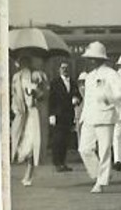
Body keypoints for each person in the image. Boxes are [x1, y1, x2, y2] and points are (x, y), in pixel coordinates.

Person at [77, 41, 121, 193]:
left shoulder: (111, 74)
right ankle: (101, 174)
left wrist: (108, 98)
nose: (89, 61)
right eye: (89, 58)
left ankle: (100, 182)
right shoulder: (89, 76)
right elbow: (87, 99)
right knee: (84, 149)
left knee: (104, 150)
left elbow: (120, 94)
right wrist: (81, 119)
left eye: (92, 58)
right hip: (90, 117)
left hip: (105, 116)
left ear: (100, 58)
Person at [9, 52, 48, 188]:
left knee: (32, 144)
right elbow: (14, 96)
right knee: (21, 144)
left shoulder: (38, 75)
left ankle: (29, 174)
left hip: (34, 115)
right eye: (20, 62)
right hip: (21, 116)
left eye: (25, 61)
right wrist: (15, 109)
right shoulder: (16, 78)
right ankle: (28, 172)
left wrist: (35, 92)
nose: (22, 64)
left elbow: (45, 95)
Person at [47, 56, 77, 173]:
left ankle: (63, 163)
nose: (65, 70)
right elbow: (51, 99)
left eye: (67, 68)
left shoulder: (72, 82)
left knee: (65, 140)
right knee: (57, 140)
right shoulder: (55, 83)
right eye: (63, 68)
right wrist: (51, 115)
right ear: (59, 70)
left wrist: (76, 98)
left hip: (68, 116)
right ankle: (57, 163)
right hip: (58, 115)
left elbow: (78, 95)